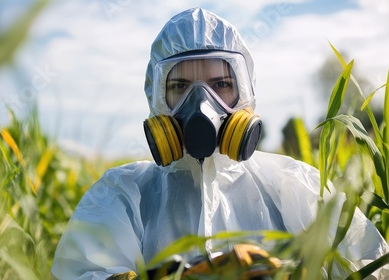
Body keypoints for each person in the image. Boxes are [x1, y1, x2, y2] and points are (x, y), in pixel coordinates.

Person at [51, 7, 388, 279]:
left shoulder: (295, 185)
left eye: (221, 85)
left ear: (245, 92)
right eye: (181, 87)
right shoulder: (124, 195)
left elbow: (372, 266)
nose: (201, 103)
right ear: (158, 99)